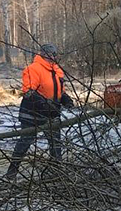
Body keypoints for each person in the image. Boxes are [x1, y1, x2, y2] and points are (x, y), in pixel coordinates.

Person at [5, 43, 74, 180]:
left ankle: (57, 173)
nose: (53, 57)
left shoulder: (57, 70)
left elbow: (60, 90)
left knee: (56, 145)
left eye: (55, 55)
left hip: (52, 113)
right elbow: (29, 91)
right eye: (51, 55)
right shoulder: (33, 69)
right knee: (25, 142)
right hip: (33, 113)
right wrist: (44, 103)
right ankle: (12, 172)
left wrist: (65, 99)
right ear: (43, 54)